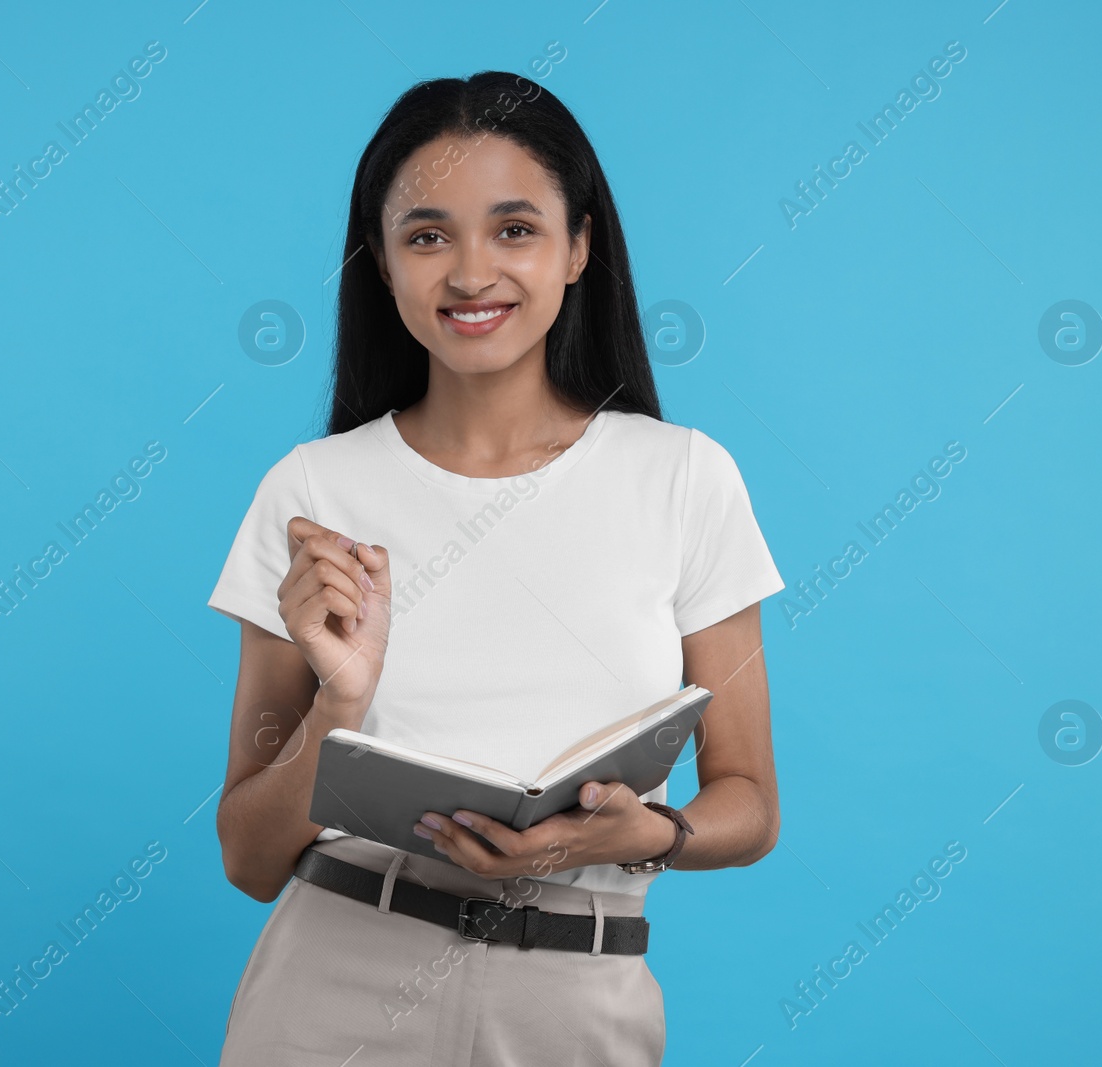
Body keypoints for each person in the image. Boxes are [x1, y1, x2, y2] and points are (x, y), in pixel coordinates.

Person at [207, 70, 786, 1066]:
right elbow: (250, 855)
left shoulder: (683, 475)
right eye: (427, 235)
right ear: (382, 264)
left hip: (577, 1001)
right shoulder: (311, 492)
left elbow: (750, 800)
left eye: (514, 228)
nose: (471, 272)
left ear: (579, 246)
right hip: (331, 988)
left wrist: (642, 835)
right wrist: (339, 704)